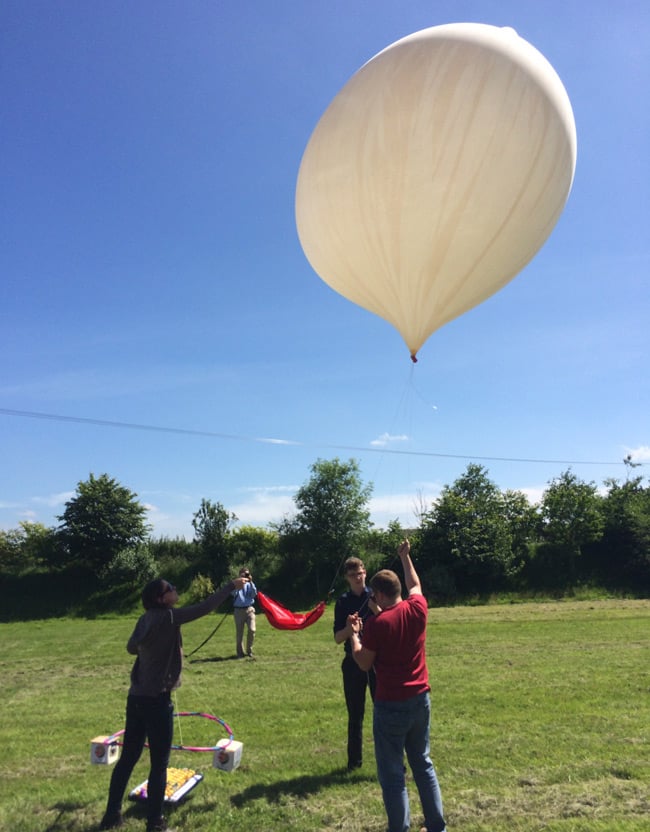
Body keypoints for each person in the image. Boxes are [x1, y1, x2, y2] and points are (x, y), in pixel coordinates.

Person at [99, 574, 249, 832]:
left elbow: (131, 647)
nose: (176, 590)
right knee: (159, 764)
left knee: (128, 758)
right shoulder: (168, 616)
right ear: (161, 598)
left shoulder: (144, 619)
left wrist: (153, 647)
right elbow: (203, 608)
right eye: (171, 589)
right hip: (157, 701)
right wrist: (230, 587)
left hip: (135, 698)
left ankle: (111, 815)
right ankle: (155, 823)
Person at [348, 541, 446, 832]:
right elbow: (415, 583)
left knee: (392, 776)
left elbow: (364, 662)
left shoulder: (378, 625)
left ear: (377, 594)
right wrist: (406, 557)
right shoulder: (418, 607)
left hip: (391, 704)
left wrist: (355, 635)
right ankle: (436, 826)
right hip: (420, 699)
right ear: (398, 591)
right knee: (423, 764)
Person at [333, 556, 377, 770]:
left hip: (377, 661)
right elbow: (337, 637)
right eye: (353, 575)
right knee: (355, 714)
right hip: (352, 663)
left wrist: (376, 610)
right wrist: (350, 630)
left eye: (360, 573)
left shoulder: (376, 596)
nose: (357, 578)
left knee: (383, 712)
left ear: (365, 573)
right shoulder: (342, 602)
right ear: (347, 578)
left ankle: (391, 760)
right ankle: (354, 763)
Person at [232, 567, 257, 658]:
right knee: (240, 633)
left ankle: (249, 650)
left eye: (247, 574)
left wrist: (251, 582)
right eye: (244, 574)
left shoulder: (250, 584)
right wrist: (239, 583)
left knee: (252, 629)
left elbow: (254, 594)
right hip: (238, 610)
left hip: (249, 609)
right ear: (240, 575)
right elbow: (233, 593)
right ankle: (240, 653)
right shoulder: (236, 583)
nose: (246, 576)